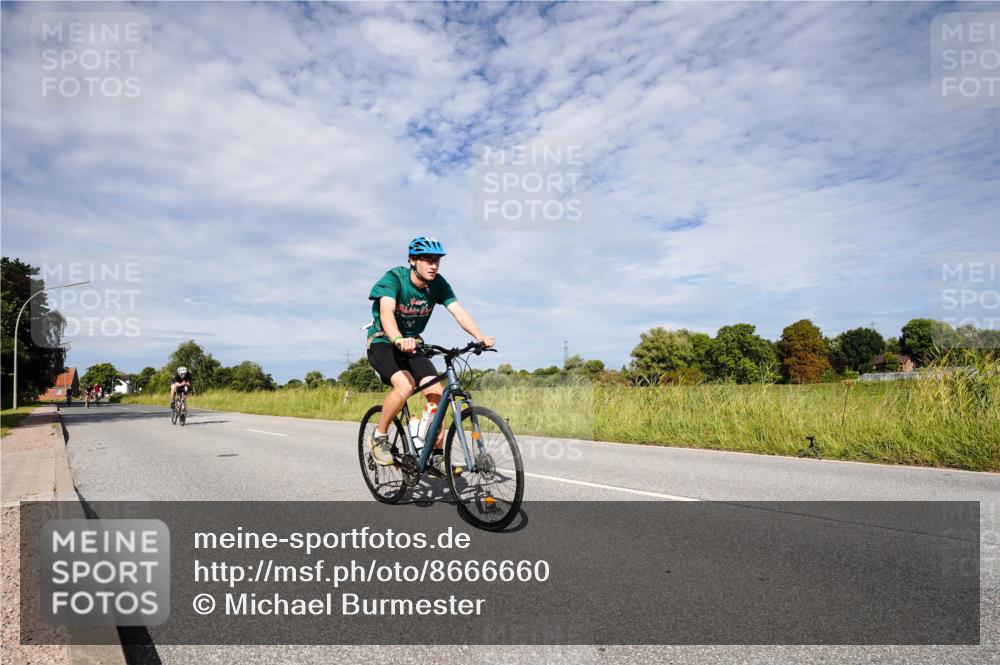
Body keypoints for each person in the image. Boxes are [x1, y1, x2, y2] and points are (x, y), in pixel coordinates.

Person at [365, 237, 494, 474]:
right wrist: (397, 339)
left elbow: (458, 311)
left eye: (436, 261)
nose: (433, 266)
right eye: (427, 260)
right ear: (412, 261)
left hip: (414, 345)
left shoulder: (438, 284)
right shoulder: (394, 279)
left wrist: (480, 336)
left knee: (437, 394)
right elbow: (386, 312)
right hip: (384, 341)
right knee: (405, 386)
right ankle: (379, 436)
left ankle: (435, 455)